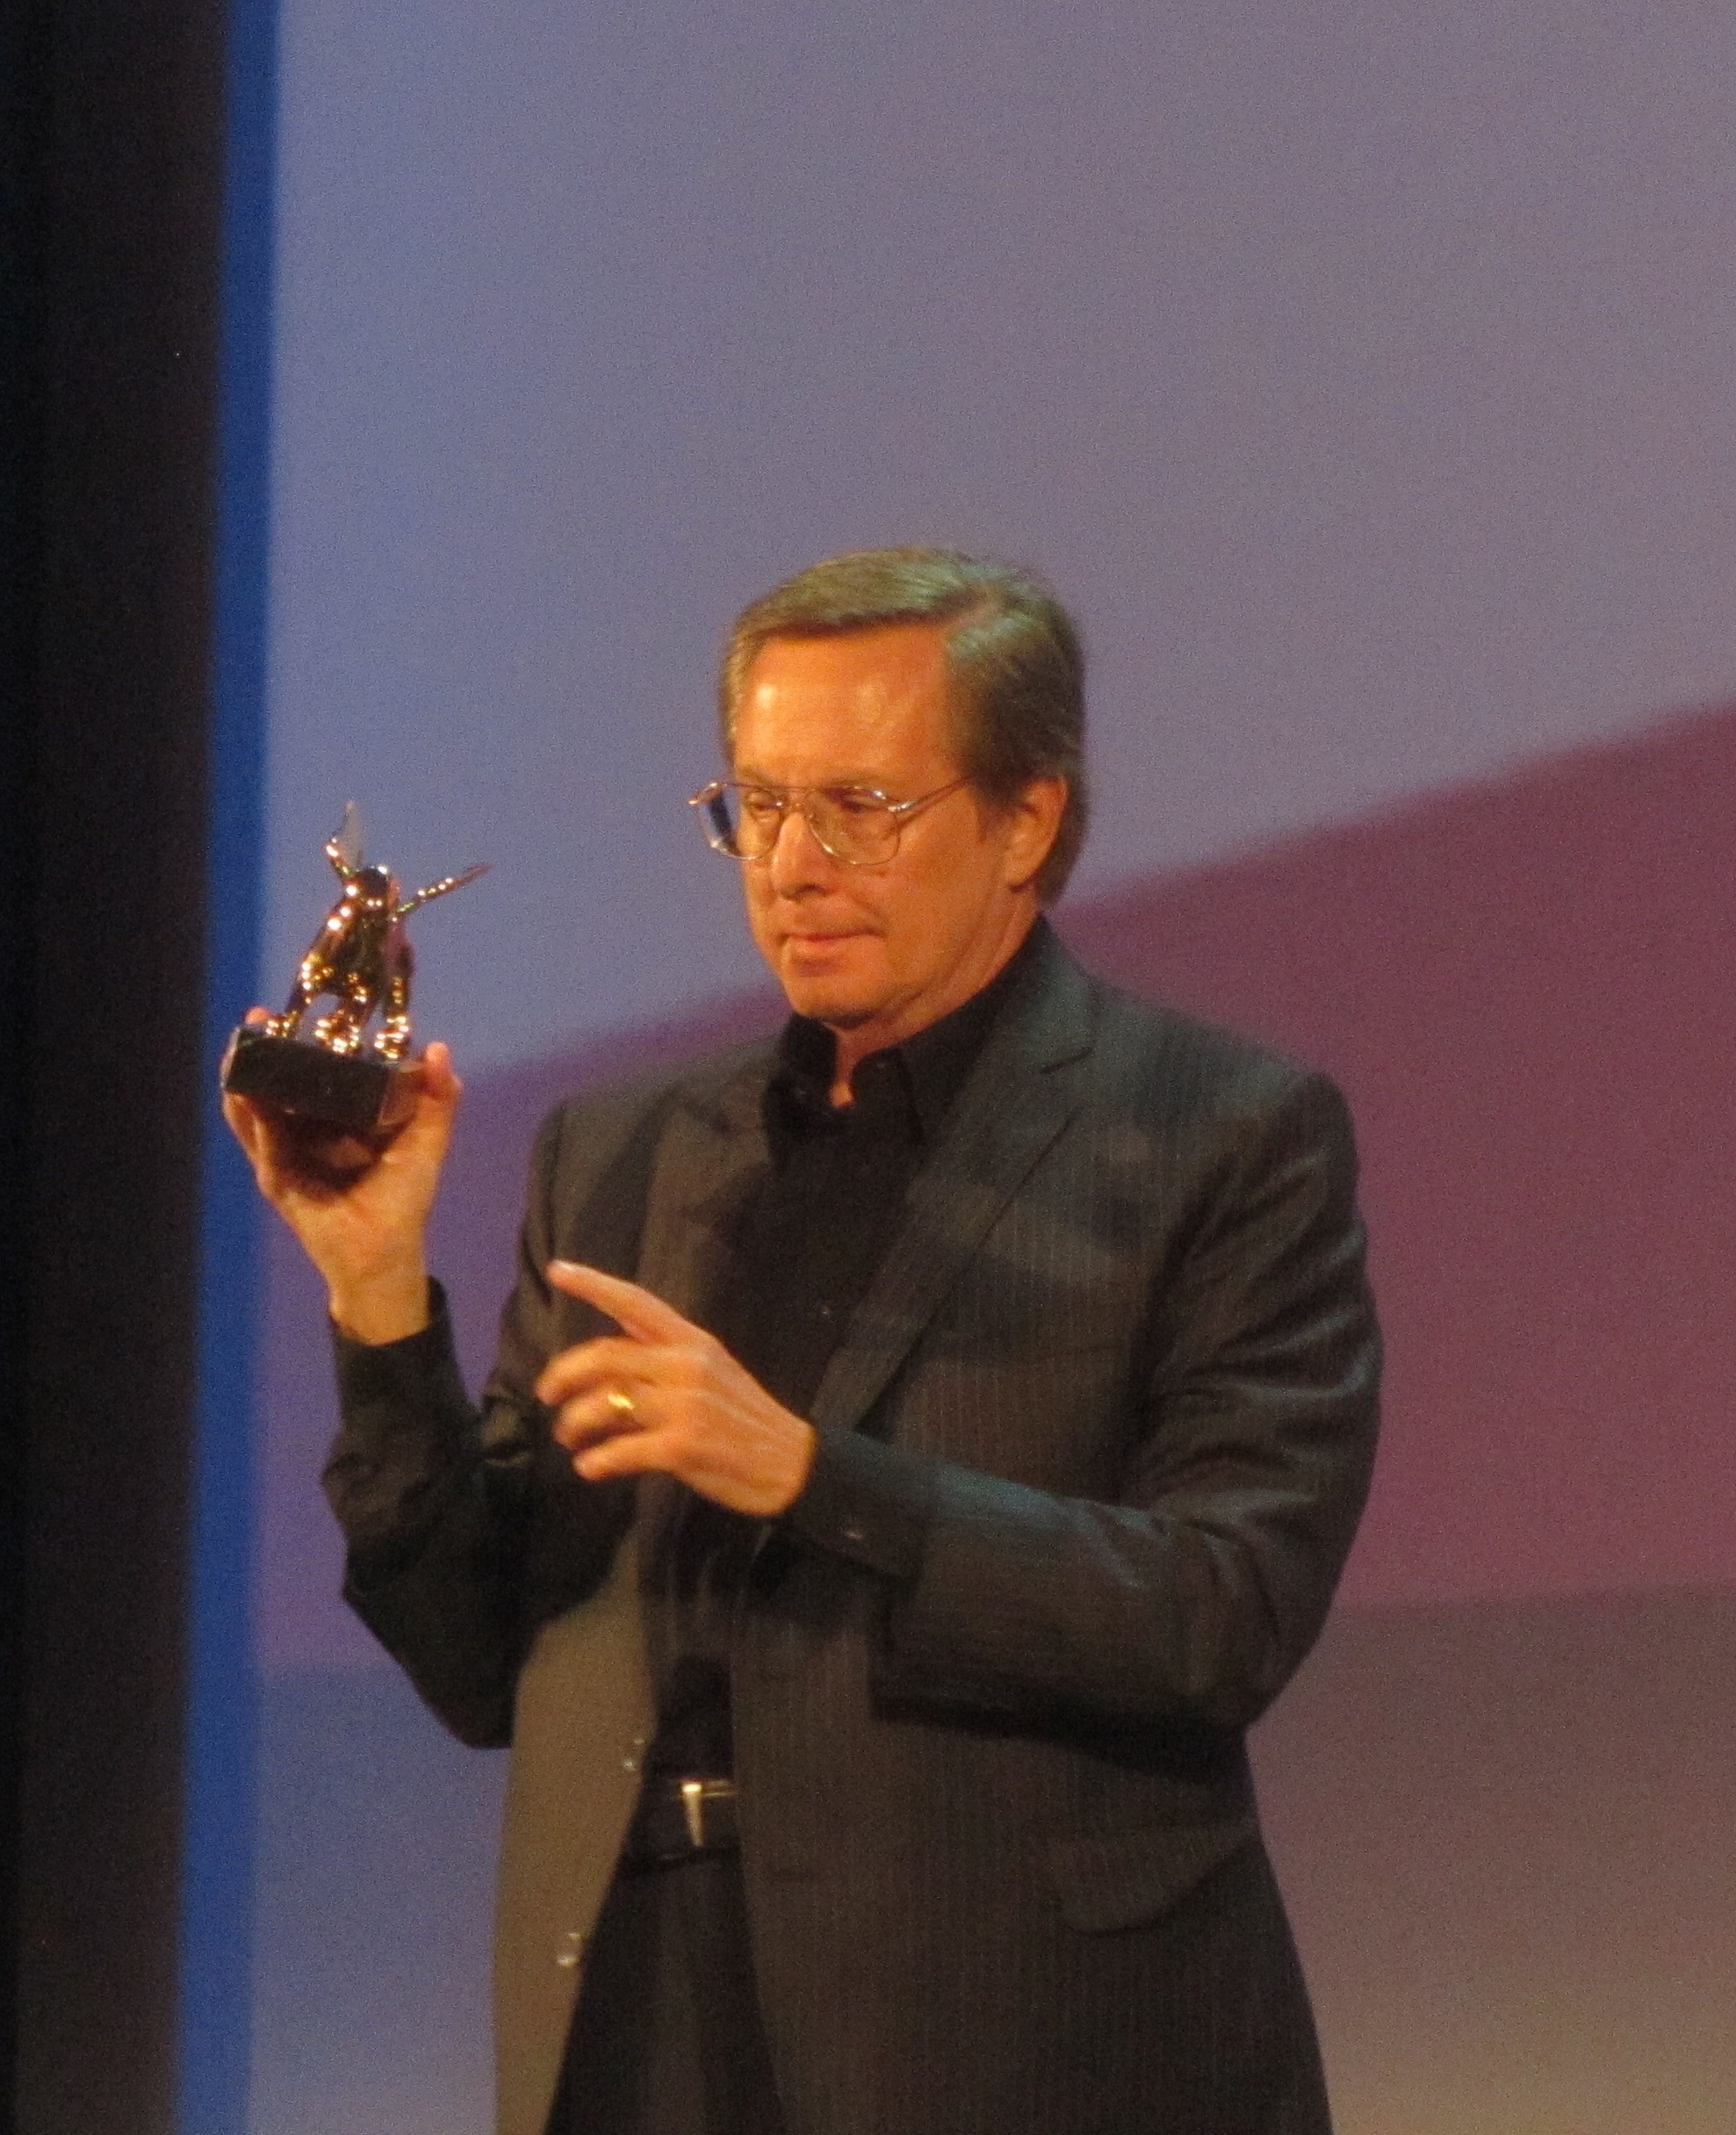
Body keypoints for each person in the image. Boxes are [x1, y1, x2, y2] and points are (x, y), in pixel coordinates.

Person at [227, 547, 1380, 2135]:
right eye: (759, 808)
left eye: (860, 809)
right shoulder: (620, 1153)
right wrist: (375, 1297)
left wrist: (811, 1478)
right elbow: (485, 1662)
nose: (790, 865)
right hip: (640, 2020)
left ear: (1026, 820)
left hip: (1011, 2037)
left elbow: (1219, 1614)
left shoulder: (1216, 1136)